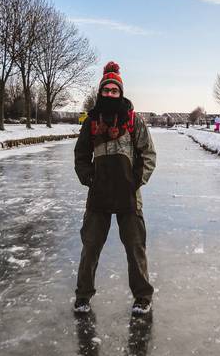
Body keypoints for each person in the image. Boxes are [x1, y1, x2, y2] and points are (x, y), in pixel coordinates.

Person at [74, 61, 157, 315]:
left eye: (114, 90)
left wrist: (135, 181)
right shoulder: (91, 122)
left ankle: (143, 296)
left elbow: (149, 154)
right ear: (100, 92)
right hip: (98, 195)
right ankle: (83, 296)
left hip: (128, 197)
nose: (110, 94)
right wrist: (88, 177)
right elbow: (81, 154)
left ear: (121, 92)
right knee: (90, 246)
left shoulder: (134, 121)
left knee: (135, 247)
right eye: (106, 90)